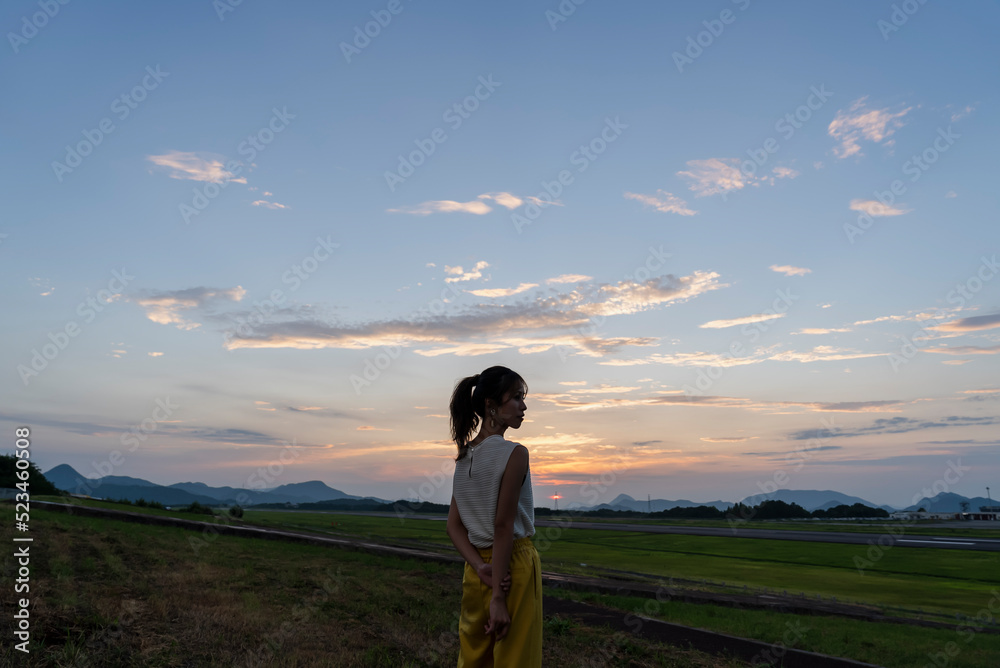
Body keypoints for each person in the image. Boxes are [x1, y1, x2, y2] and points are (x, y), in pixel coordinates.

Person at [446, 365, 542, 667]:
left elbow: (453, 526)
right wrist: (499, 598)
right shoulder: (514, 453)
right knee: (515, 659)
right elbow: (503, 526)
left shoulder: (465, 456)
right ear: (491, 405)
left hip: (478, 571)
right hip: (512, 565)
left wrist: (478, 566)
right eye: (515, 398)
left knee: (474, 657)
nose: (523, 406)